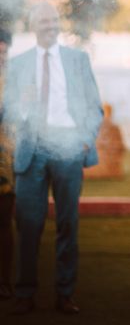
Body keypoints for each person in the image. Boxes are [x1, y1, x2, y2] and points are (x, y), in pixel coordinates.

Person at [3, 2, 103, 315]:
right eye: (44, 21)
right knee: (29, 225)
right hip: (32, 152)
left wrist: (85, 141)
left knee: (67, 225)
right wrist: (22, 105)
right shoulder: (19, 64)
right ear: (33, 26)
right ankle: (25, 293)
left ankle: (64, 294)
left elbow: (93, 106)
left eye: (54, 20)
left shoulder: (77, 59)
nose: (50, 25)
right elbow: (6, 113)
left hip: (69, 148)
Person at [0, 29, 14, 300]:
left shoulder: (16, 80)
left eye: (3, 53)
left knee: (3, 223)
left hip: (5, 164)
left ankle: (4, 282)